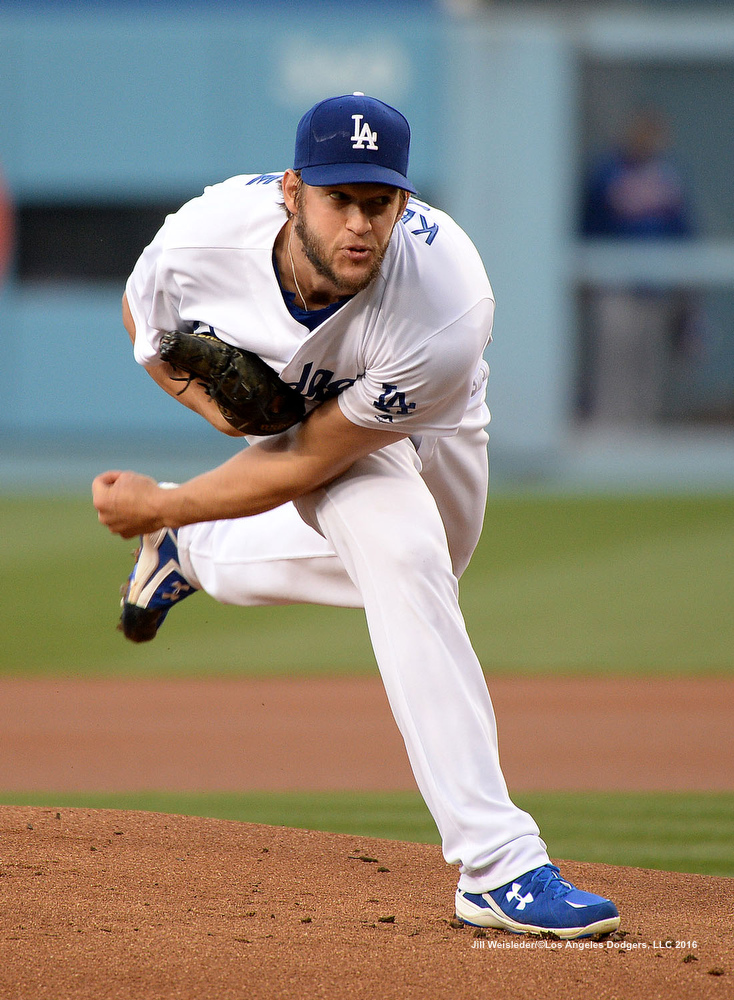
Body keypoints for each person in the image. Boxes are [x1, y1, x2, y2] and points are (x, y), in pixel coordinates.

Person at [93, 93, 620, 939]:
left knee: (432, 571)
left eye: (380, 203)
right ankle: (497, 864)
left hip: (430, 416)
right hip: (335, 424)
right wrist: (217, 413)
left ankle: (189, 549)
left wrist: (170, 503)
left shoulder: (446, 303)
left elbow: (308, 458)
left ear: (404, 202)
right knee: (405, 560)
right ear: (292, 192)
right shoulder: (203, 240)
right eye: (340, 199)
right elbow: (144, 324)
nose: (361, 225)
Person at [580, 107, 696, 425]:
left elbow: (683, 234)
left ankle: (643, 423)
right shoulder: (607, 173)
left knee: (648, 361)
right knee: (613, 359)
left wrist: (684, 285)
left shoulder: (669, 177)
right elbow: (589, 226)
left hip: (657, 285)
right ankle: (610, 422)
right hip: (614, 283)